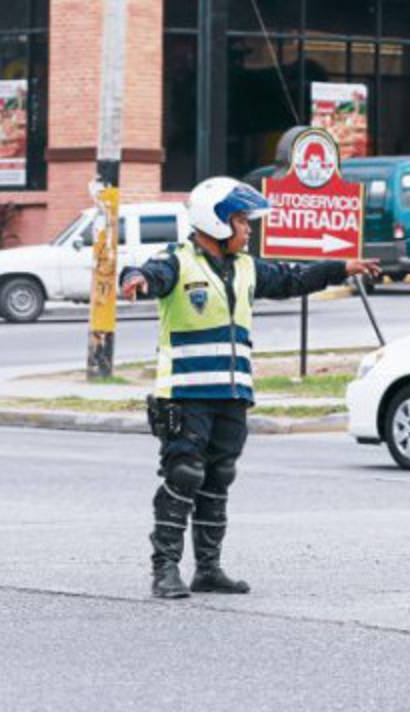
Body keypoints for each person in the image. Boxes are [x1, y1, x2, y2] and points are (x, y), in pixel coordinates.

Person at [120, 177, 379, 599]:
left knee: (218, 477)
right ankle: (164, 569)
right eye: (241, 221)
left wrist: (340, 268)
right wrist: (136, 279)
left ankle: (208, 569)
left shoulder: (246, 267)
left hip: (233, 394)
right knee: (184, 475)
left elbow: (293, 278)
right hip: (185, 395)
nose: (248, 229)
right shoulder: (177, 260)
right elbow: (151, 274)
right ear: (216, 222)